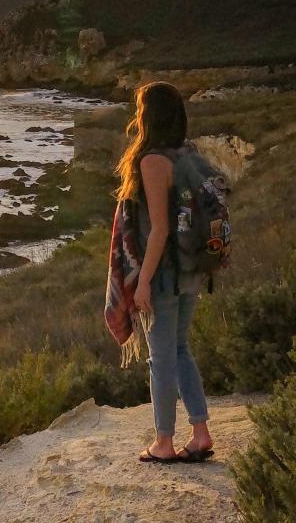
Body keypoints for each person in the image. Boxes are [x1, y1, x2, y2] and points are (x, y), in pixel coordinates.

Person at [114, 81, 214, 463]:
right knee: (180, 347)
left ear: (149, 116)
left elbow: (159, 229)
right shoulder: (188, 153)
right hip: (192, 268)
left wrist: (141, 283)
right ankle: (201, 433)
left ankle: (164, 443)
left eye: (140, 110)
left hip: (165, 274)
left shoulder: (153, 161)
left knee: (161, 357)